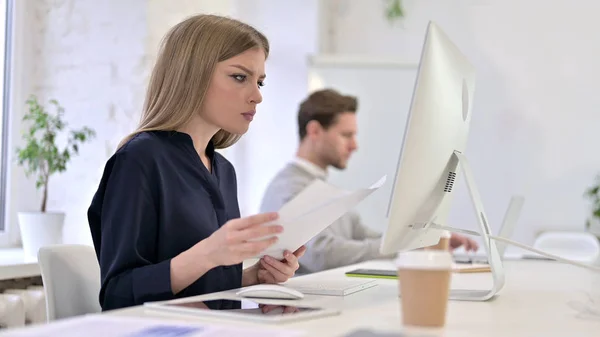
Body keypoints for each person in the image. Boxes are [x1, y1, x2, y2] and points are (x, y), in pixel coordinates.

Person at [87, 14, 305, 311]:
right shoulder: (139, 160)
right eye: (239, 77)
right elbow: (118, 295)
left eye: (260, 82)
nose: (256, 96)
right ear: (192, 75)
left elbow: (203, 288)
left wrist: (254, 276)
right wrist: (209, 254)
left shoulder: (224, 171)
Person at [259, 89, 478, 274]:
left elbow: (364, 236)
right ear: (315, 131)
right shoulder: (289, 188)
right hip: (300, 312)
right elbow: (323, 254)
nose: (355, 145)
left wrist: (423, 240)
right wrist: (410, 246)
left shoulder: (324, 188)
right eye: (346, 135)